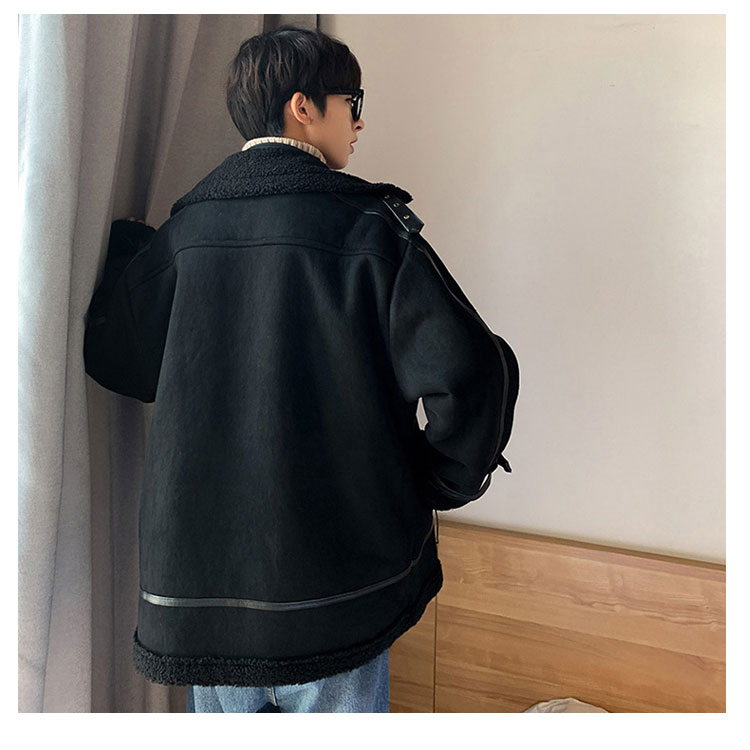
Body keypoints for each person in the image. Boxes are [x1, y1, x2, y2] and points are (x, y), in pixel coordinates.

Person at [83, 26, 519, 713]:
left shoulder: (184, 236)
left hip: (208, 604)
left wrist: (133, 249)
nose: (360, 121)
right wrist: (438, 482)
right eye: (353, 102)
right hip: (340, 598)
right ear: (303, 107)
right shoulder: (370, 228)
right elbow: (472, 373)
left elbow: (121, 358)